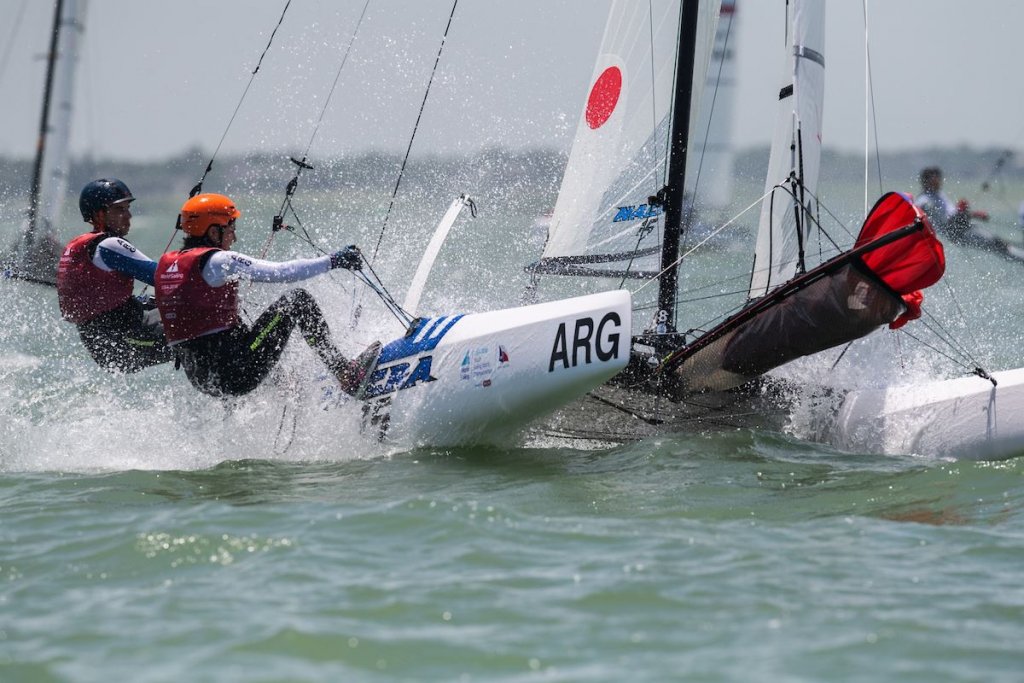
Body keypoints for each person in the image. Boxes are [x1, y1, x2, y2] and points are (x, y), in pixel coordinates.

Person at [154, 192, 380, 398]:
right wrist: (334, 260)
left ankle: (289, 386)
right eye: (231, 229)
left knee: (238, 325)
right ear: (214, 232)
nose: (234, 238)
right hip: (234, 373)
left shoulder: (166, 266)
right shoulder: (218, 261)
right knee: (297, 301)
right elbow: (281, 272)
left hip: (204, 379)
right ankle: (345, 374)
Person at [56, 178, 173, 372]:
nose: (128, 216)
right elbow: (168, 279)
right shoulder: (109, 245)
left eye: (127, 208)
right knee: (203, 326)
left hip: (102, 344)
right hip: (123, 339)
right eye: (119, 210)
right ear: (99, 214)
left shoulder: (78, 246)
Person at [914, 166, 1005, 253]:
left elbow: (952, 212)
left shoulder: (939, 194)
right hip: (957, 234)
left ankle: (1013, 255)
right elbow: (945, 220)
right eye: (934, 179)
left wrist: (962, 210)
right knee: (996, 244)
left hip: (962, 228)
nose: (939, 181)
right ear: (926, 181)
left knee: (997, 242)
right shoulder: (924, 200)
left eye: (939, 178)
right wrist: (972, 214)